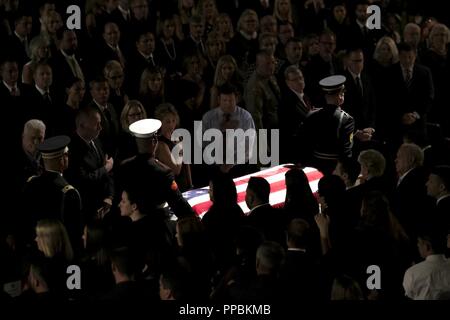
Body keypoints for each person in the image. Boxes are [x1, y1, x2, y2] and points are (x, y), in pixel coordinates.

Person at [117, 118, 194, 219]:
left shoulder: (124, 167)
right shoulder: (163, 172)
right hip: (156, 227)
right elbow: (178, 203)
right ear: (154, 141)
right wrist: (194, 219)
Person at [22, 135, 82, 249]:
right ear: (62, 159)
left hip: (34, 250)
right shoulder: (68, 192)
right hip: (59, 252)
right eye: (66, 155)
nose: (68, 157)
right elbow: (74, 233)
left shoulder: (31, 183)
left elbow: (24, 219)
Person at [299, 75, 354, 174]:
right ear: (340, 96)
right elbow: (345, 153)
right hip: (334, 169)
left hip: (313, 167)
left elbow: (304, 143)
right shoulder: (345, 119)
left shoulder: (312, 115)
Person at [403, 227, 450, 300]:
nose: (417, 245)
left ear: (427, 246)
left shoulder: (411, 272)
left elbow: (410, 295)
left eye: (419, 242)